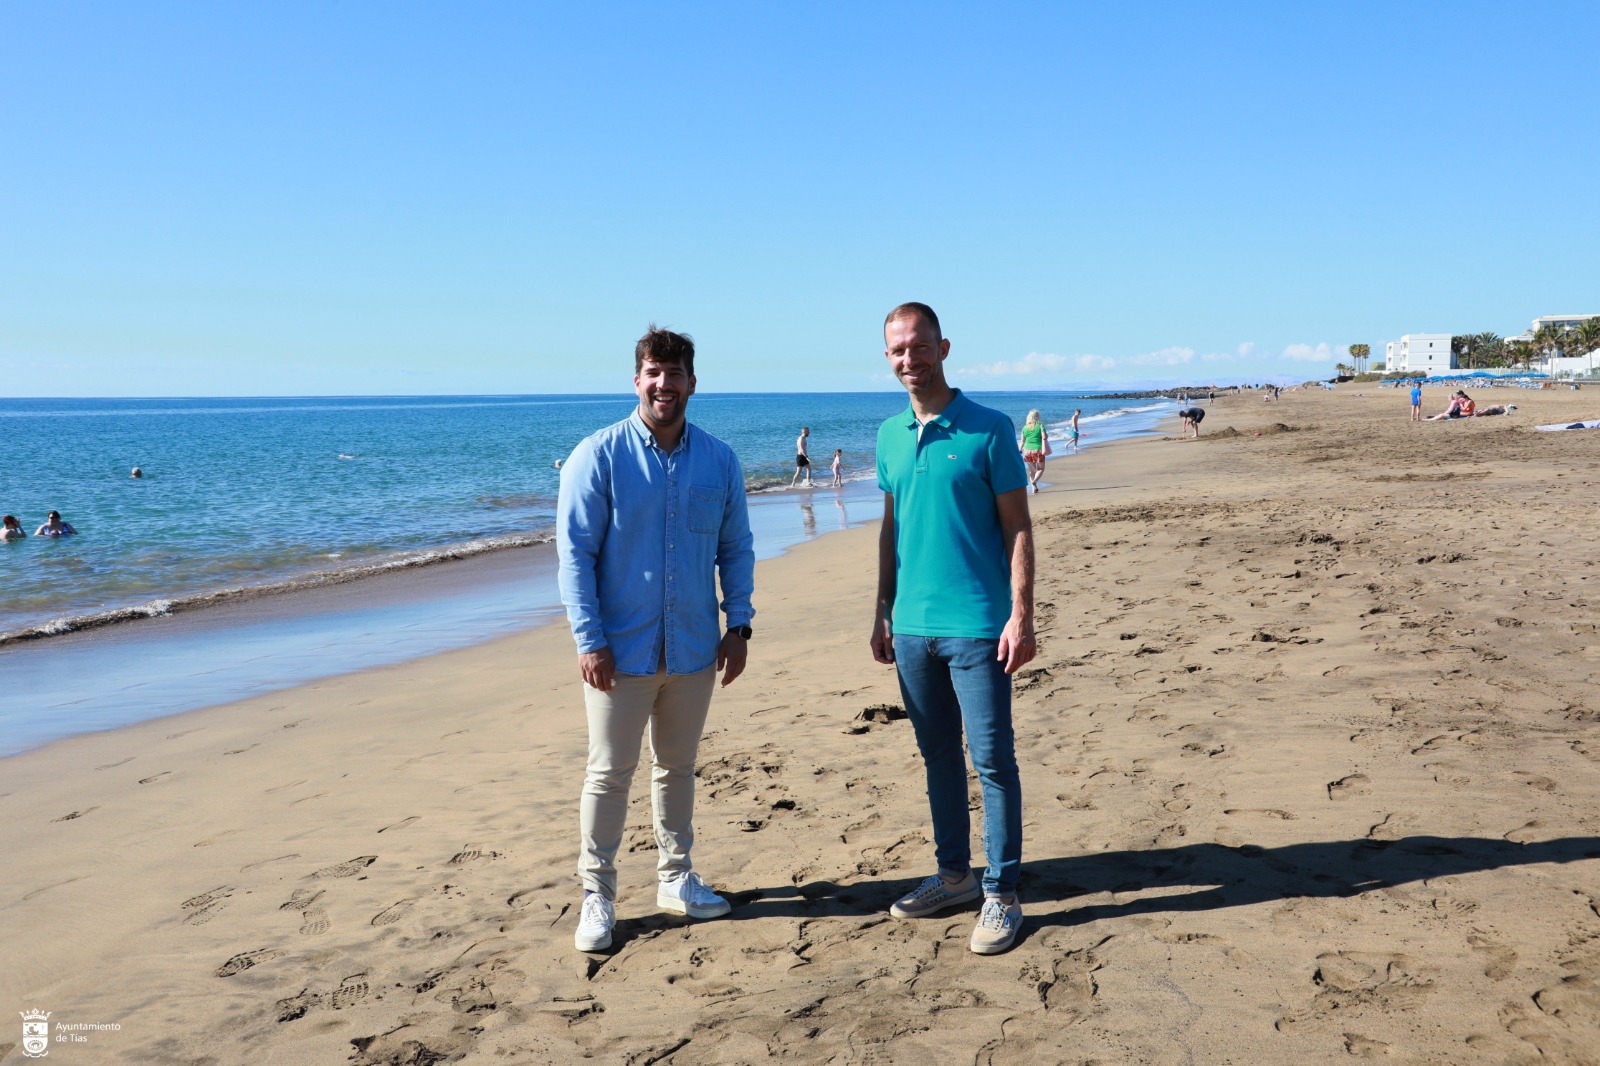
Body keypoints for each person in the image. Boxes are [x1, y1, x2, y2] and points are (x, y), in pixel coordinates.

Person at [557, 325, 756, 954]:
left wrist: (740, 624)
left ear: (692, 383)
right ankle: (598, 896)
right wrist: (589, 640)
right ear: (636, 379)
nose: (664, 384)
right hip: (619, 653)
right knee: (608, 774)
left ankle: (676, 879)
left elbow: (736, 548)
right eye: (653, 372)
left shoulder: (719, 460)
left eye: (675, 374)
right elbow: (574, 556)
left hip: (695, 648)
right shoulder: (599, 454)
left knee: (677, 769)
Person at [871, 302, 1036, 956]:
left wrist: (1022, 615)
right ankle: (953, 876)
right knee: (938, 757)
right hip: (911, 628)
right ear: (888, 358)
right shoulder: (887, 435)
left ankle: (1002, 893)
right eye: (896, 350)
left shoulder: (990, 430)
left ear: (943, 347)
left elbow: (1018, 526)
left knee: (993, 760)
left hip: (978, 626)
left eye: (917, 346)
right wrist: (881, 610)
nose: (908, 359)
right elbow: (892, 529)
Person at [1019, 409, 1047, 494]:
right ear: (1037, 417)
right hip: (1038, 450)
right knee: (1041, 469)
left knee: (1032, 471)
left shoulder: (1025, 427)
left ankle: (1033, 487)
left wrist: (1020, 449)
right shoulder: (1040, 425)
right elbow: (1044, 437)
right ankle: (1034, 481)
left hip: (1027, 451)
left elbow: (1022, 441)